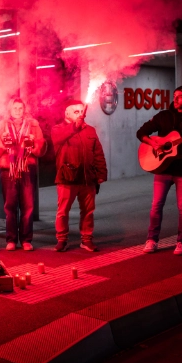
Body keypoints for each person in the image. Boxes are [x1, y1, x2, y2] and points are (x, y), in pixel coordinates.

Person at [136, 85, 182, 255]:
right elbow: (141, 132)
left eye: (180, 96)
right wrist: (154, 143)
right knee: (156, 205)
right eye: (174, 96)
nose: (175, 99)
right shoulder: (164, 116)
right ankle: (152, 239)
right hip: (163, 168)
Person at [51, 100, 107, 252]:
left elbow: (98, 153)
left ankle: (86, 239)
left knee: (88, 211)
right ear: (67, 113)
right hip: (67, 178)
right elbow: (60, 138)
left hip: (87, 178)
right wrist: (75, 126)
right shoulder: (58, 129)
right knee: (63, 211)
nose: (80, 114)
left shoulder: (90, 130)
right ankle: (62, 239)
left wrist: (101, 173)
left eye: (82, 111)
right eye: (76, 112)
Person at [0, 98, 46, 251]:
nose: (17, 111)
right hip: (8, 169)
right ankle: (11, 239)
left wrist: (33, 144)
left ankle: (26, 239)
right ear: (9, 110)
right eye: (14, 108)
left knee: (28, 206)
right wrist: (3, 142)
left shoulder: (33, 125)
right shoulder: (0, 126)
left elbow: (41, 148)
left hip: (27, 168)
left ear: (24, 110)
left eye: (20, 108)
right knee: (10, 206)